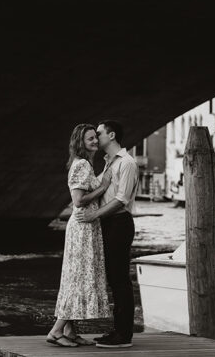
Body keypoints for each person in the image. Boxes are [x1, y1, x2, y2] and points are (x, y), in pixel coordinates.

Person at [46, 124, 112, 348]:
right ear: (80, 142)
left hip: (86, 226)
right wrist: (103, 187)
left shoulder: (85, 164)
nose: (95, 141)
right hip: (82, 227)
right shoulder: (82, 164)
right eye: (90, 139)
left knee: (76, 275)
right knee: (78, 278)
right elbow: (77, 200)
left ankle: (70, 331)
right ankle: (56, 331)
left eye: (95, 137)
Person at [77, 121, 139, 349]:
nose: (96, 137)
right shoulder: (107, 164)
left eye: (100, 134)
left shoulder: (127, 163)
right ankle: (118, 330)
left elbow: (121, 199)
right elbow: (102, 192)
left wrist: (94, 216)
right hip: (109, 224)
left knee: (120, 279)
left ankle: (124, 335)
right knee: (114, 278)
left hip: (120, 223)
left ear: (111, 135)